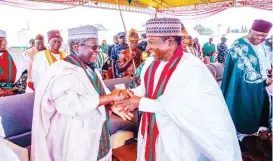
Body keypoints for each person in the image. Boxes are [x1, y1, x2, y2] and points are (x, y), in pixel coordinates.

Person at [116, 17, 241, 161]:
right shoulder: (151, 62)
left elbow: (179, 105)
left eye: (151, 43)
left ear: (169, 41)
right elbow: (148, 87)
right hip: (150, 125)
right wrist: (132, 94)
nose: (147, 48)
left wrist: (140, 102)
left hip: (176, 132)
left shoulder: (191, 67)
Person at [31, 25, 133, 161]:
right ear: (76, 47)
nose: (98, 51)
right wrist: (110, 97)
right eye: (94, 47)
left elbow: (100, 93)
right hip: (76, 137)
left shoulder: (91, 69)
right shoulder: (61, 71)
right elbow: (71, 105)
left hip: (98, 132)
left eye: (98, 47)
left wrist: (112, 104)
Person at [221, 20, 272, 135]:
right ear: (249, 31)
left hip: (265, 89)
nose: (260, 38)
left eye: (264, 36)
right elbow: (246, 69)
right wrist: (265, 78)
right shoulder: (239, 45)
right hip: (243, 87)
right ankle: (244, 136)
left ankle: (261, 131)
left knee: (263, 112)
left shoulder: (266, 45)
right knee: (244, 112)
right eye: (257, 35)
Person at [0, 30, 27, 96]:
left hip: (14, 94)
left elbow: (24, 73)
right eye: (0, 40)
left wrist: (15, 91)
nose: (4, 43)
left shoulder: (16, 54)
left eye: (5, 40)